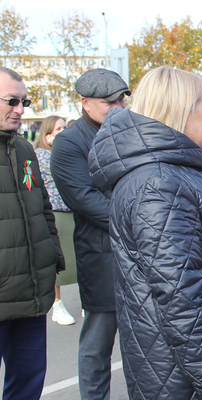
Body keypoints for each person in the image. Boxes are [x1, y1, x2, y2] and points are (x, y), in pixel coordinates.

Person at [88, 66, 202, 399]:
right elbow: (184, 307)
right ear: (180, 110)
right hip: (188, 377)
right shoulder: (158, 183)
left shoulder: (171, 171)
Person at [51, 68, 130, 400]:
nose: (117, 106)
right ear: (84, 102)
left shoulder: (129, 131)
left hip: (137, 251)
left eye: (121, 99)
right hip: (102, 254)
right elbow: (85, 200)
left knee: (143, 346)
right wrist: (138, 223)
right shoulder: (69, 143)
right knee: (98, 344)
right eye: (108, 101)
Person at [0, 66, 64, 400]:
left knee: (28, 382)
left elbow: (41, 207)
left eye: (24, 101)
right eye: (12, 101)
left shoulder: (24, 150)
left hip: (30, 294)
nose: (21, 110)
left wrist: (51, 257)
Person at [34, 115, 77, 326]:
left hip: (72, 210)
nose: (63, 131)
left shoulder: (60, 152)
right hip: (56, 212)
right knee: (59, 263)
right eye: (59, 128)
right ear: (49, 134)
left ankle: (85, 302)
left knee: (78, 260)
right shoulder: (42, 156)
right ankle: (57, 304)